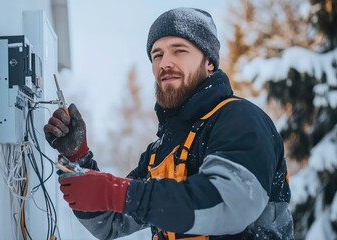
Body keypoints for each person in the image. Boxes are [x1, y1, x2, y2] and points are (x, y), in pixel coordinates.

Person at [43, 7, 294, 240]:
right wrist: (78, 157)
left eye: (179, 50)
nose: (165, 63)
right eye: (157, 54)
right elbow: (110, 221)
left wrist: (120, 193)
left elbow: (229, 205)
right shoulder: (162, 149)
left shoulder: (239, 119)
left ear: (209, 61)